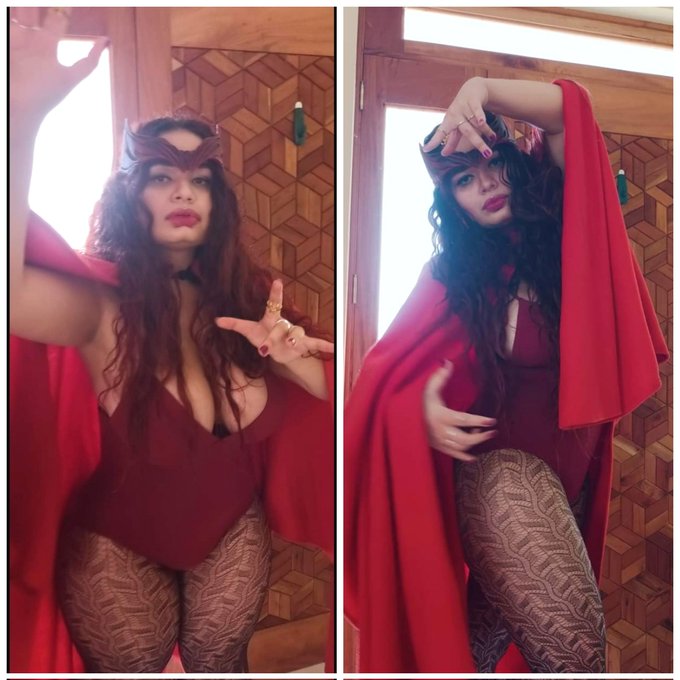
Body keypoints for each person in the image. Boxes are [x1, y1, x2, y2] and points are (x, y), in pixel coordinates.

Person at [9, 7, 334, 673]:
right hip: (115, 541)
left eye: (199, 179)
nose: (183, 190)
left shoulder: (257, 301)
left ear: (218, 201)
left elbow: (338, 392)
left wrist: (291, 359)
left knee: (223, 661)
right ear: (132, 195)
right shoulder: (101, 308)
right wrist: (21, 120)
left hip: (230, 529)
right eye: (161, 177)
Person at [345, 77, 668, 672]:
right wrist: (418, 409)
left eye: (493, 165)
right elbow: (385, 380)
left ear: (517, 164)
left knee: (471, 652)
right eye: (463, 180)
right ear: (450, 201)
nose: (486, 184)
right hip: (500, 474)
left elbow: (571, 113)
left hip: (568, 480)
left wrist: (481, 89)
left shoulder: (571, 233)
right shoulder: (449, 275)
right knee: (575, 654)